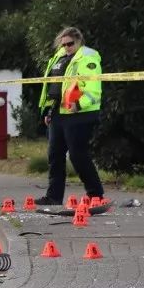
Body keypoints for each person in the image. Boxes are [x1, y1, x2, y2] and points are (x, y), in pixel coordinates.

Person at [35, 27, 104, 206]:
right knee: (55, 155)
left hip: (80, 114)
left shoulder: (87, 58)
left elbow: (93, 89)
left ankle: (95, 195)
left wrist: (79, 104)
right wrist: (48, 111)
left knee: (77, 155)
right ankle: (53, 197)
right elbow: (53, 88)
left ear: (78, 41)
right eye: (64, 44)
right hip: (59, 114)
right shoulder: (59, 58)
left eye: (70, 44)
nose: (67, 47)